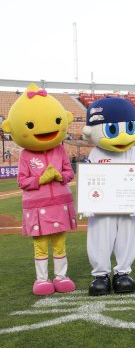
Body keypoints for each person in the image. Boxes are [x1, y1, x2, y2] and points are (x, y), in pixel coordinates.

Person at [2, 83, 77, 296]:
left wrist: (58, 176)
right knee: (41, 246)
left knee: (60, 245)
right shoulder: (26, 155)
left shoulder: (60, 149)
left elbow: (69, 174)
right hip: (36, 206)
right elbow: (22, 181)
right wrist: (40, 179)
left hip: (61, 203)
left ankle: (61, 277)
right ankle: (42, 280)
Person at [82, 97, 135, 296]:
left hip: (127, 204)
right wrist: (87, 202)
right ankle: (100, 274)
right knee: (100, 235)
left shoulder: (133, 152)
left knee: (127, 236)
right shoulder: (95, 153)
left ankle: (122, 272)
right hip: (102, 206)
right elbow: (89, 179)